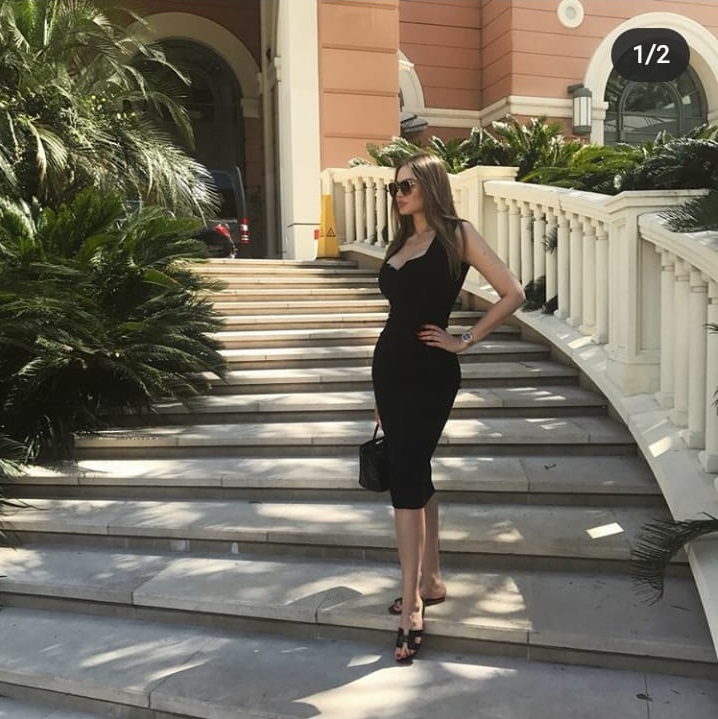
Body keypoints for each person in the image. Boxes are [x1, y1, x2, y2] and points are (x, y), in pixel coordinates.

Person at [371, 152, 525, 662]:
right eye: (394, 187)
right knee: (414, 469)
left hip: (431, 372)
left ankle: (412, 604)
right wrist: (378, 397)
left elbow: (512, 293)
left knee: (406, 478)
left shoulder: (457, 235)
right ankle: (431, 580)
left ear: (431, 185)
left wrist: (465, 339)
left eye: (407, 186)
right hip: (390, 370)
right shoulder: (399, 242)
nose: (399, 194)